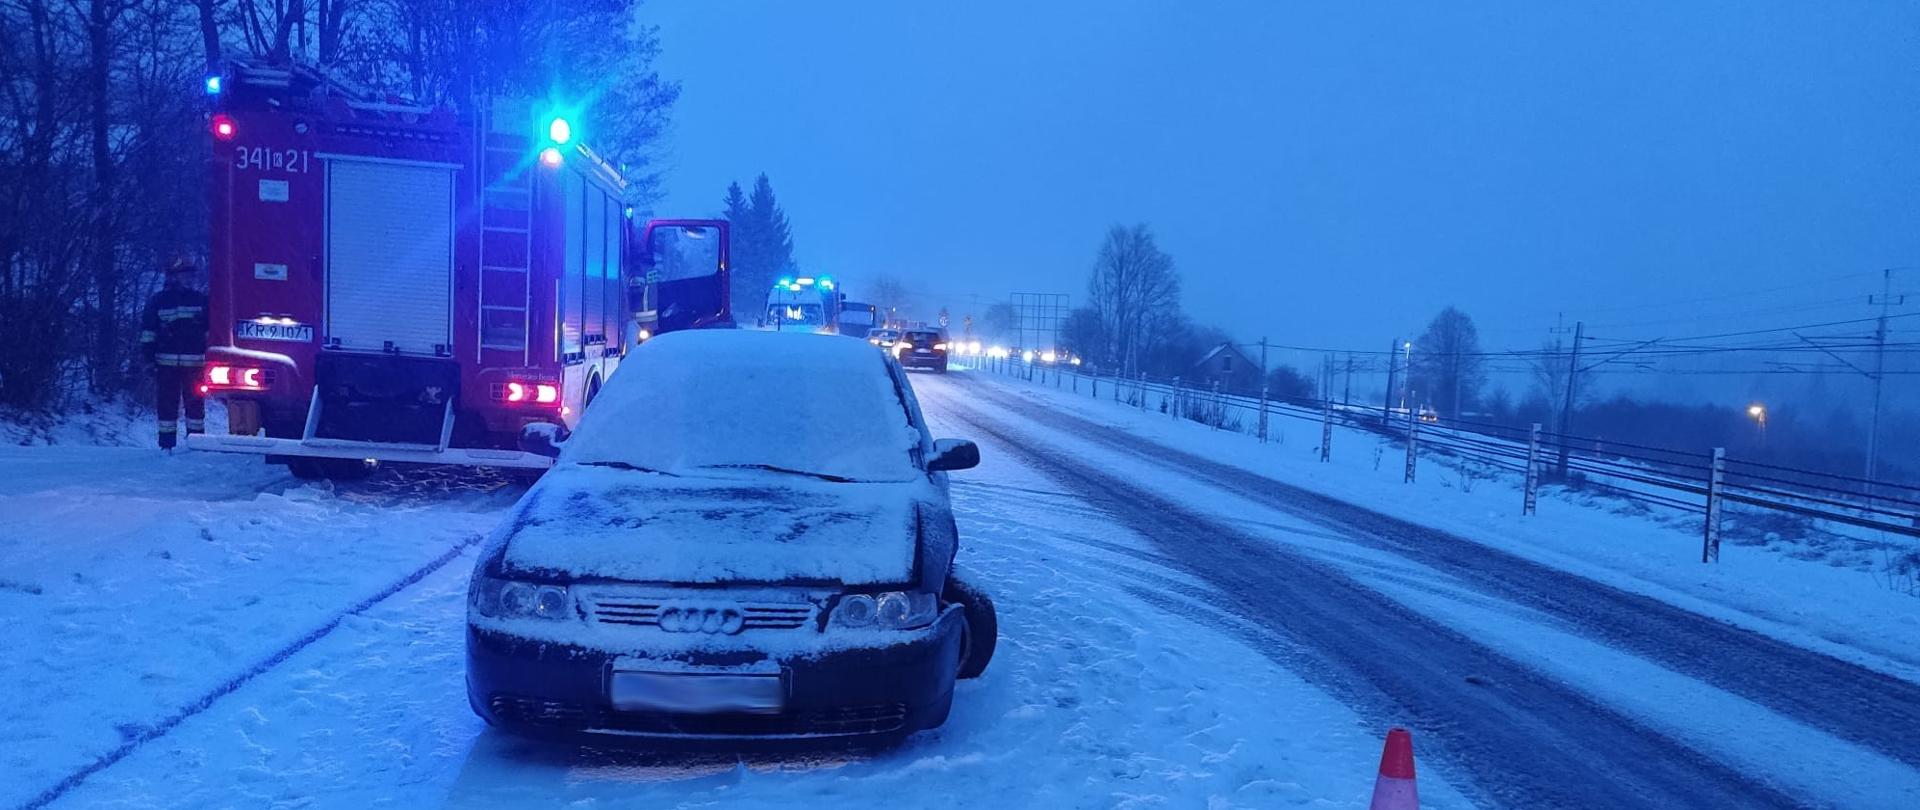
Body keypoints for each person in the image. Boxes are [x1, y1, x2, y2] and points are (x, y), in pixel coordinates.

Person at [140, 257, 209, 451]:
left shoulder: (201, 300)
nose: (189, 278)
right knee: (166, 405)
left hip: (195, 364)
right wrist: (148, 360)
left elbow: (211, 331)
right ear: (173, 277)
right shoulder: (158, 301)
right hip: (166, 364)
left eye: (190, 274)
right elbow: (148, 333)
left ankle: (196, 445)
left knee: (195, 406)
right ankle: (166, 446)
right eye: (184, 274)